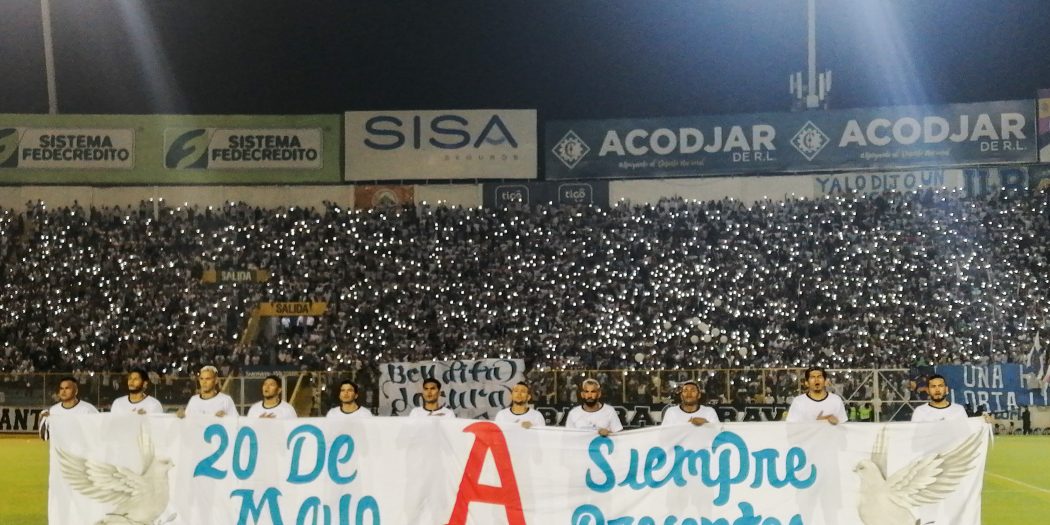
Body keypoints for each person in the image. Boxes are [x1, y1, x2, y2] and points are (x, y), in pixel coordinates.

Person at [40, 376, 99, 440]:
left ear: (76, 391)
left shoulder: (88, 410)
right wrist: (42, 421)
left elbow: (98, 432)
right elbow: (45, 437)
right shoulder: (53, 410)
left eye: (67, 388)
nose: (63, 391)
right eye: (61, 388)